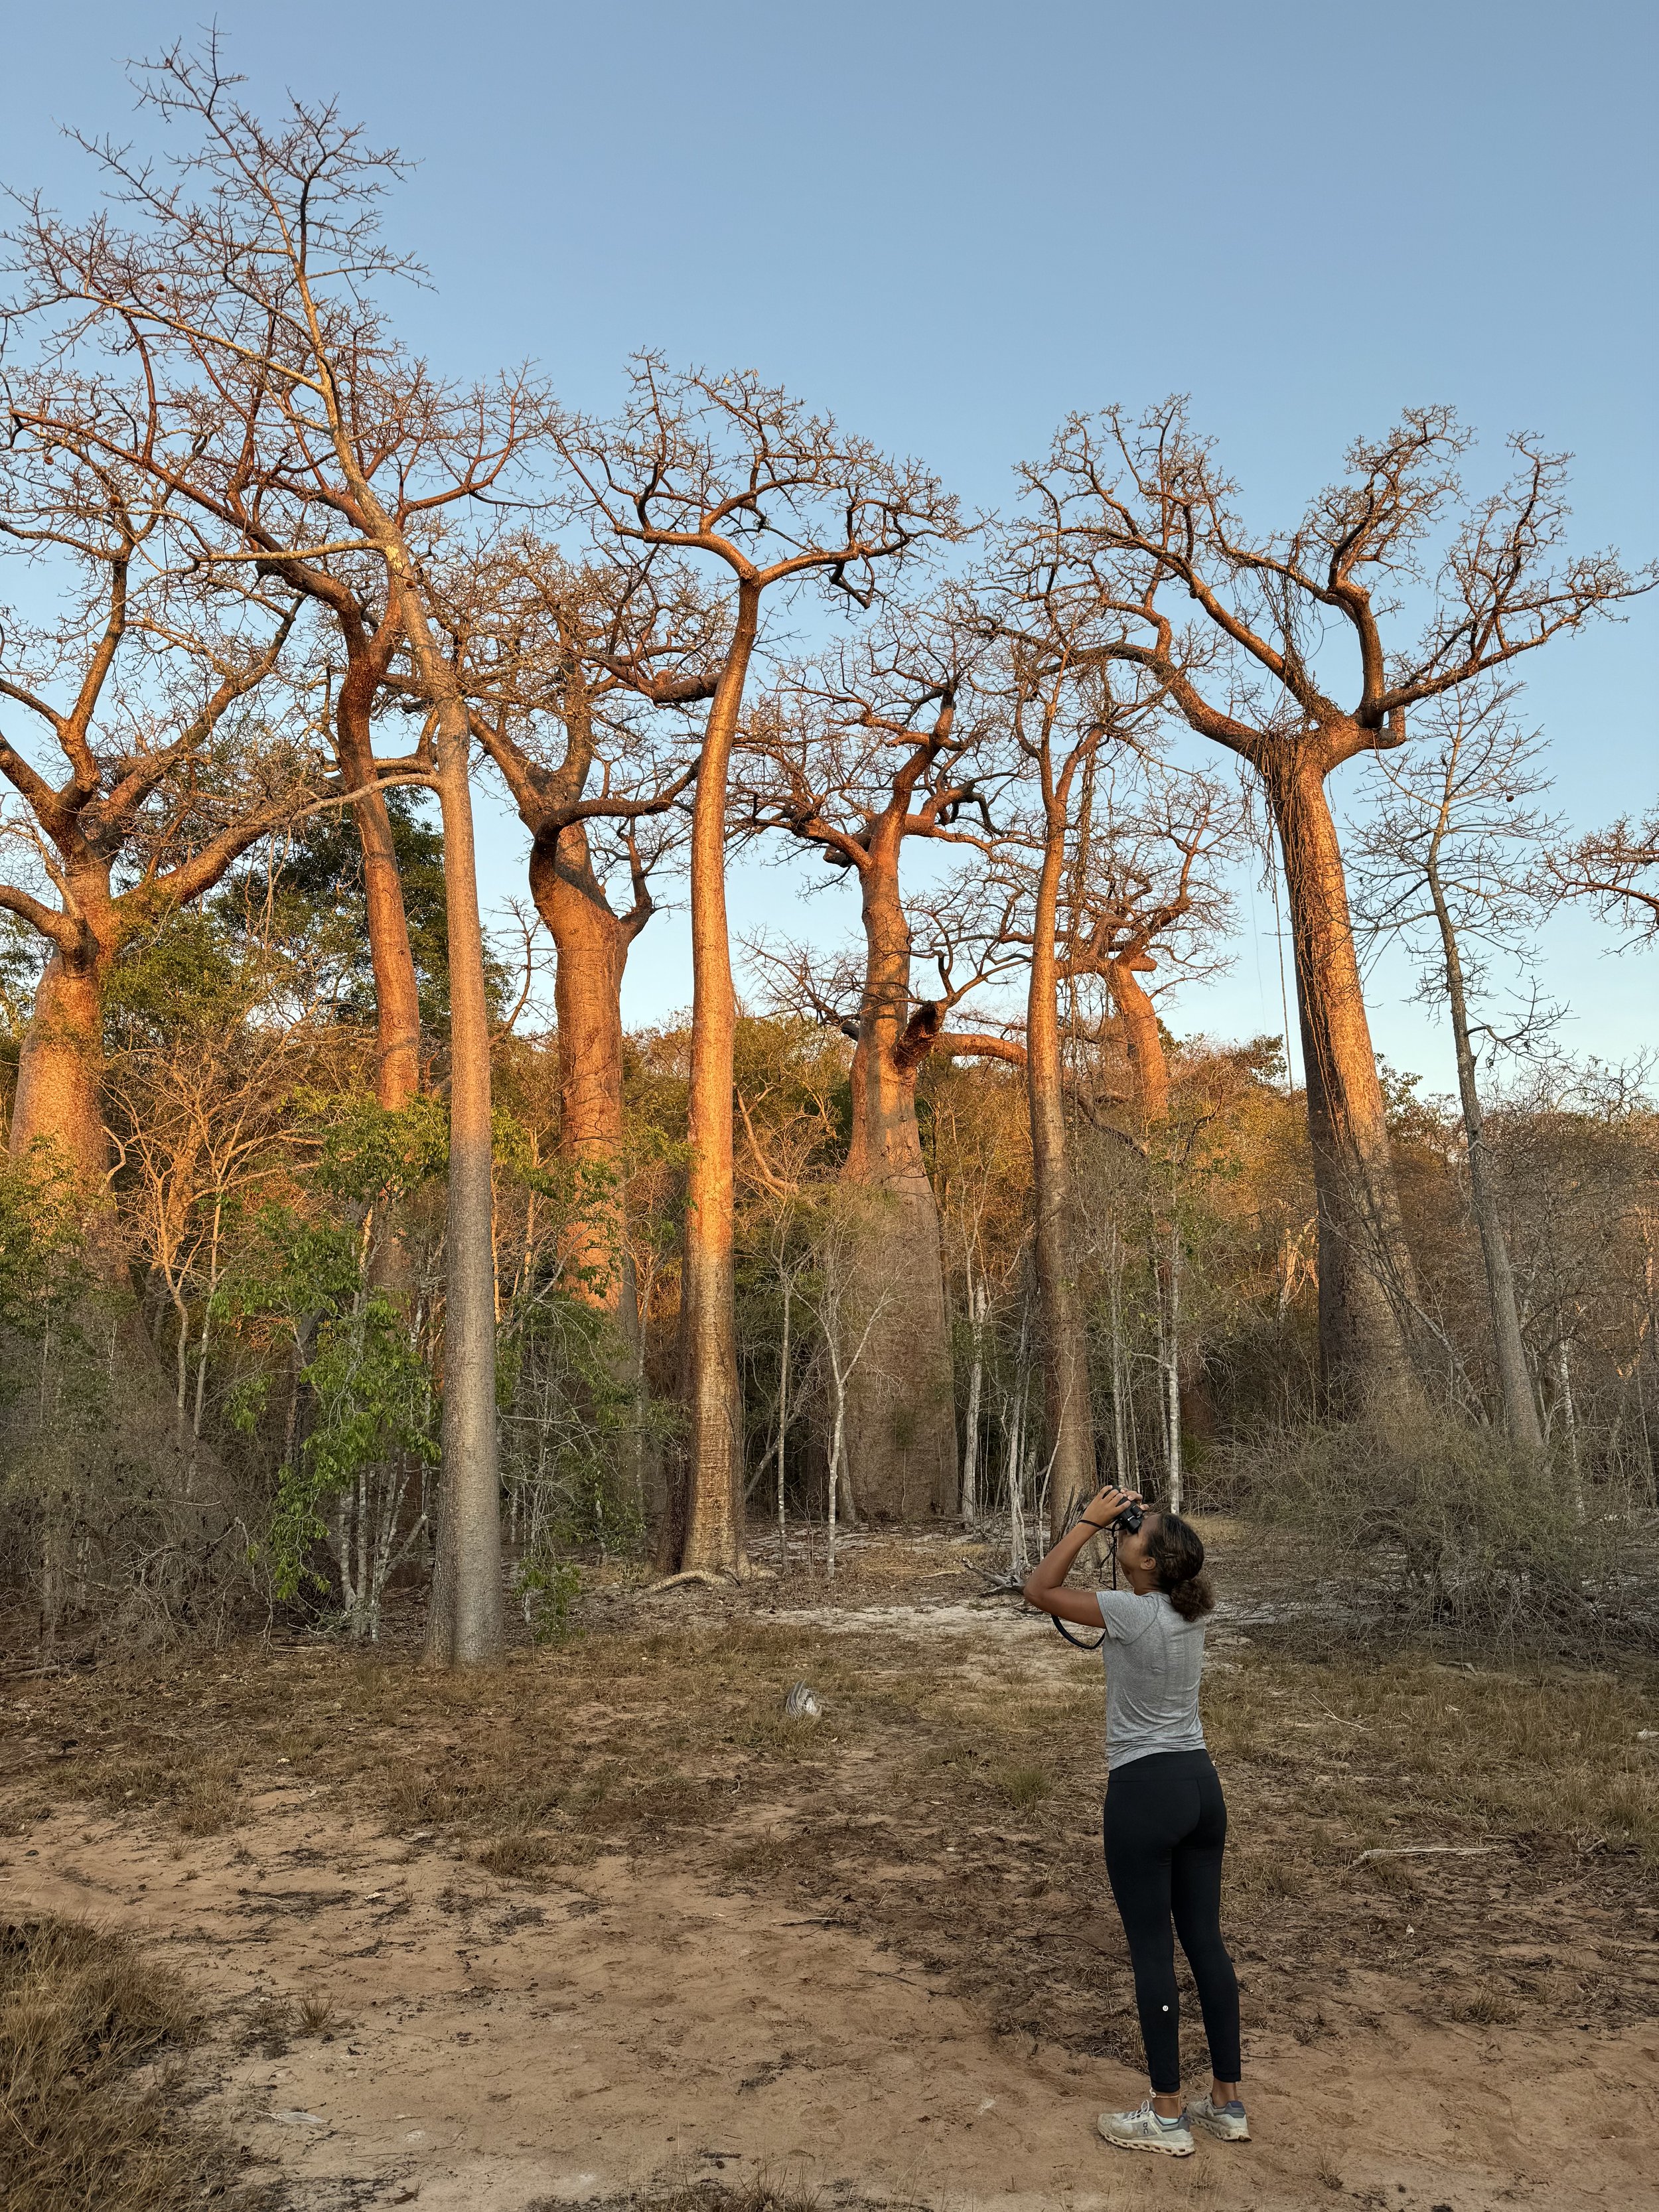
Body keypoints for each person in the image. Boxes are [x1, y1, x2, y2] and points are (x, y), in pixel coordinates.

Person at [1022, 1483, 1246, 2159]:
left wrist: (1088, 1524)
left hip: (1144, 1792)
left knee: (1152, 1949)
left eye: (1132, 1537)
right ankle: (1227, 2104)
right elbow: (1151, 1568)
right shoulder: (1189, 1611)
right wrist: (1136, 1522)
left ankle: (1168, 2115)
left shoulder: (1128, 1611)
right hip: (1200, 1787)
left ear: (1148, 1565)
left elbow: (1038, 1589)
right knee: (1205, 1942)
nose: (1123, 1538)